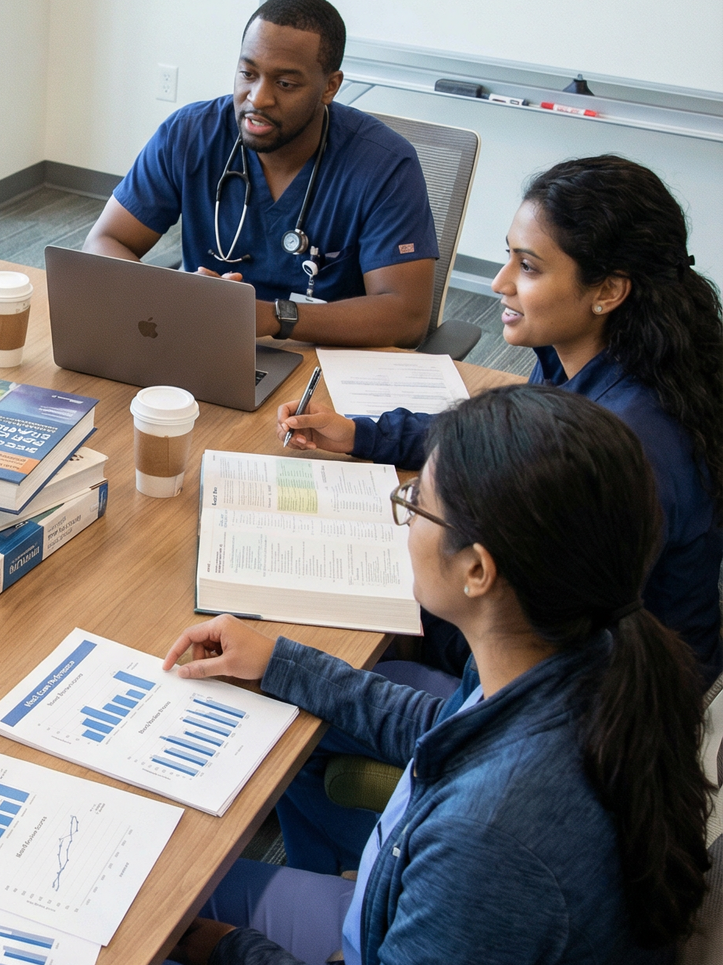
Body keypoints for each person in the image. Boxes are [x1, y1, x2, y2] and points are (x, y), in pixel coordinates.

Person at [38, 386, 711, 965]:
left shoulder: (497, 831)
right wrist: (282, 660)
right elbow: (445, 727)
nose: (405, 522)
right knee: (158, 887)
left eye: (414, 506)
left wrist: (230, 954)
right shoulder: (584, 651)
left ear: (478, 569)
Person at [277, 156, 723, 872]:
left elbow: (533, 656)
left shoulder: (631, 445)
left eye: (528, 267)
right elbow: (501, 440)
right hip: (576, 674)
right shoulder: (596, 359)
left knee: (295, 709)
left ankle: (372, 887)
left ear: (608, 289)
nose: (499, 285)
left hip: (591, 724)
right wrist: (364, 434)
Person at [83, 0, 437, 348]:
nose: (258, 98)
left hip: (325, 360)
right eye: (248, 73)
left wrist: (272, 316)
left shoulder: (385, 165)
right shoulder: (190, 134)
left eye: (285, 84)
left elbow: (406, 316)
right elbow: (104, 241)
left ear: (330, 87)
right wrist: (175, 294)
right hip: (205, 343)